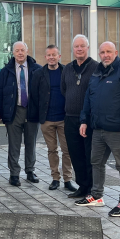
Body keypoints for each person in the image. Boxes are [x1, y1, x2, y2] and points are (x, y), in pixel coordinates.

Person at [77, 41, 120, 217]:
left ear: (116, 52)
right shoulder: (96, 73)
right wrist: (84, 121)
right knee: (96, 162)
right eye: (102, 52)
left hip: (118, 129)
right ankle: (97, 196)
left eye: (109, 52)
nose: (105, 55)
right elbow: (88, 100)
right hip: (98, 129)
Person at [0, 41, 42, 186]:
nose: (20, 53)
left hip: (31, 111)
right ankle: (14, 174)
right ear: (13, 53)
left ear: (27, 51)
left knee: (31, 143)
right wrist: (1, 113)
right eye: (17, 50)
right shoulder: (6, 71)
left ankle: (30, 171)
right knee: (14, 145)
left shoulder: (37, 69)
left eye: (22, 50)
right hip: (14, 111)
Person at [33, 45, 77, 192]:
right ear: (45, 57)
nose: (51, 57)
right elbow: (34, 96)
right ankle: (55, 179)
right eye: (49, 55)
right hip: (47, 119)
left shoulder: (67, 71)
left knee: (68, 150)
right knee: (52, 150)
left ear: (59, 56)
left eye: (54, 55)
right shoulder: (39, 73)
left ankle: (68, 179)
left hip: (65, 118)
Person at [61, 34, 98, 199]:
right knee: (75, 154)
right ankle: (82, 187)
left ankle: (92, 189)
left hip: (89, 119)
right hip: (70, 118)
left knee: (89, 155)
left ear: (87, 48)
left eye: (82, 46)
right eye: (76, 46)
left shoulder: (96, 67)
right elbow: (64, 90)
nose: (79, 49)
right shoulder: (67, 68)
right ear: (73, 49)